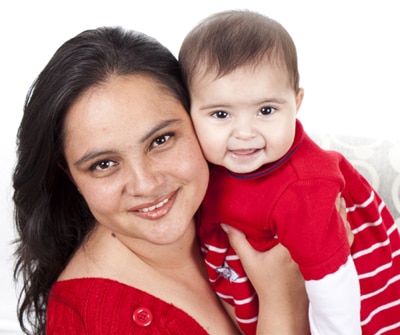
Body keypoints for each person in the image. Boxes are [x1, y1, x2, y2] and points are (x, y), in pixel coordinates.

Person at [12, 26, 319, 335]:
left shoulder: (266, 183)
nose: (145, 184)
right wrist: (283, 301)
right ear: (70, 176)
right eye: (103, 164)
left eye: (161, 140)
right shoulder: (88, 320)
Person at [179, 9, 400, 335]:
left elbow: (334, 291)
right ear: (188, 110)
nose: (244, 132)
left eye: (266, 110)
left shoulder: (303, 188)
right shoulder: (204, 162)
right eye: (221, 113)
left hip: (340, 300)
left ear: (296, 103)